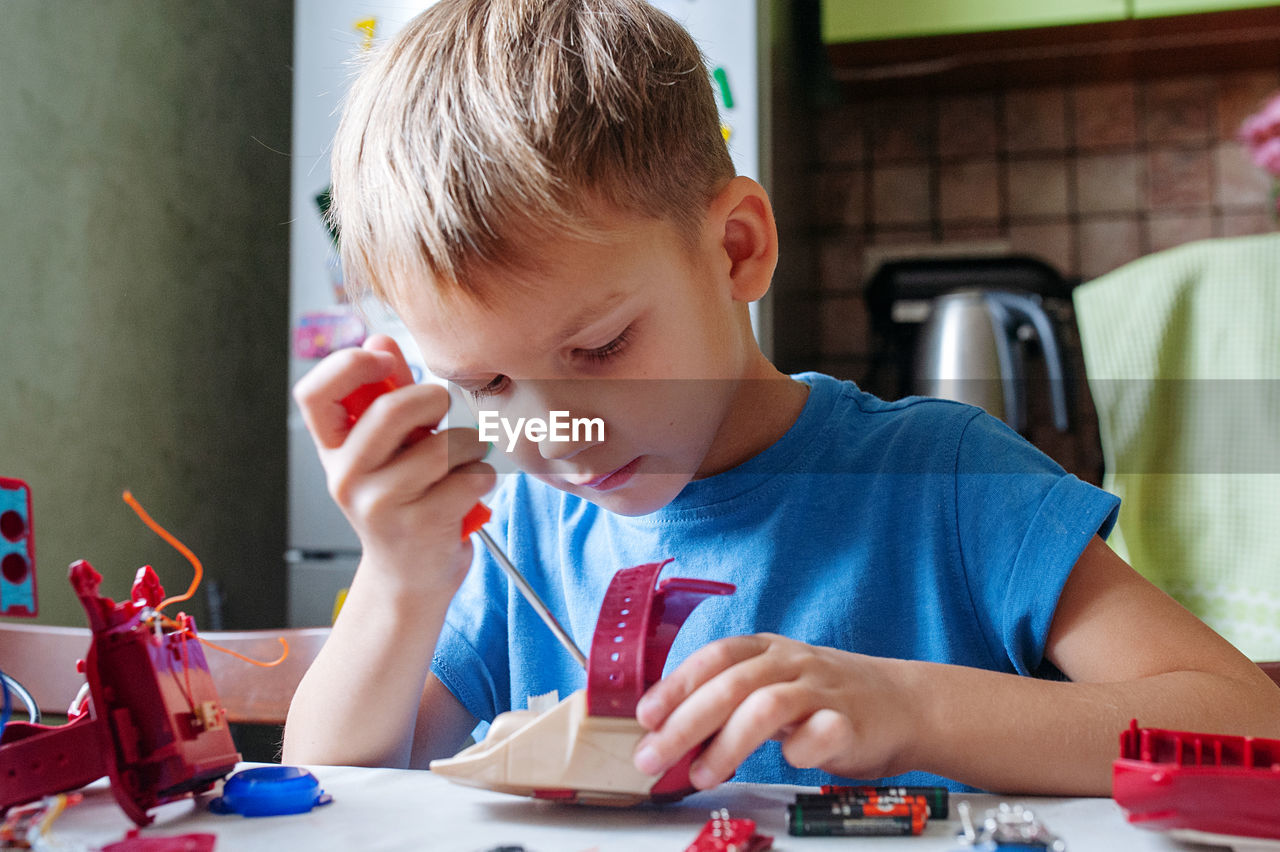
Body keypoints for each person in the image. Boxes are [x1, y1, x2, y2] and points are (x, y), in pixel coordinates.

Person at [281, 0, 1280, 794]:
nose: (553, 435)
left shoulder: (945, 481)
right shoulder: (521, 532)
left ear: (736, 250)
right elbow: (330, 786)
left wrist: (909, 710)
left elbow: (1243, 719)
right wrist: (398, 577)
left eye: (597, 346)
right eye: (486, 385)